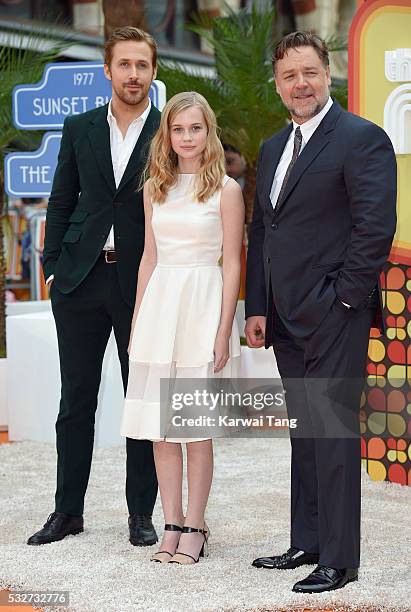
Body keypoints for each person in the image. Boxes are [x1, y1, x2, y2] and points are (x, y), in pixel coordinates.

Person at [245, 32, 396, 593]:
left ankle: (339, 559)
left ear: (326, 74)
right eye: (289, 76)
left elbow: (375, 228)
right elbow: (265, 227)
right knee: (304, 435)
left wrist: (346, 301)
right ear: (278, 84)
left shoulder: (362, 139)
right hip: (283, 318)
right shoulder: (271, 147)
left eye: (308, 73)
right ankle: (306, 542)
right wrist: (257, 307)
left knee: (331, 436)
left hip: (337, 313)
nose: (299, 84)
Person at [28, 27, 161, 547]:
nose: (133, 74)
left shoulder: (168, 129)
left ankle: (140, 514)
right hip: (80, 280)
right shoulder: (79, 125)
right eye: (124, 64)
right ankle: (67, 512)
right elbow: (61, 199)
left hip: (142, 283)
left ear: (154, 72)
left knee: (141, 400)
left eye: (142, 65)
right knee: (76, 399)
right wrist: (52, 264)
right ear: (108, 70)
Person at [121, 91, 244, 564]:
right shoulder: (155, 186)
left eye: (195, 128)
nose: (186, 137)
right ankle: (170, 524)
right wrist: (137, 323)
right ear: (167, 135)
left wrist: (221, 331)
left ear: (207, 131)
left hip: (201, 306)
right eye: (178, 129)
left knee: (195, 428)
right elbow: (149, 259)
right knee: (160, 429)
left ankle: (196, 525)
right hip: (159, 308)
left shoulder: (226, 190)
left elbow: (231, 264)